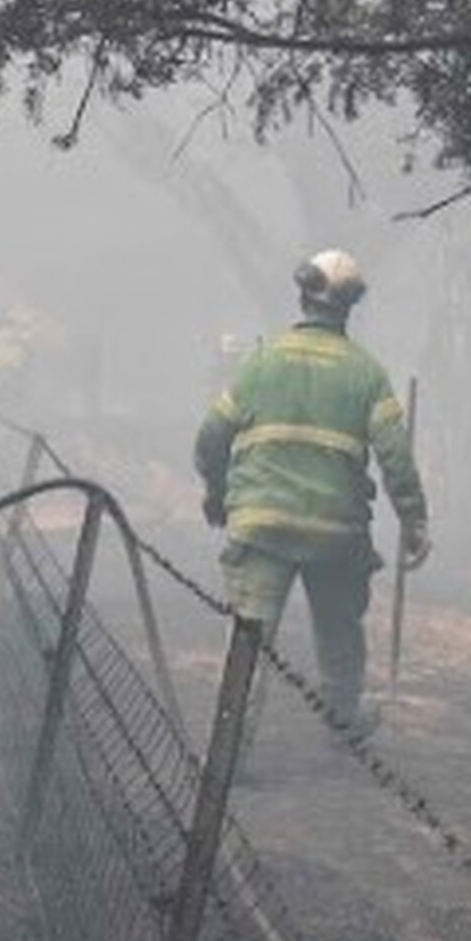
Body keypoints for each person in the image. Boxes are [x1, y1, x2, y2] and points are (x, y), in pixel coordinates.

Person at [192, 249, 430, 729]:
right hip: (336, 531)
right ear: (350, 305)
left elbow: (210, 440)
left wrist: (217, 494)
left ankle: (230, 752)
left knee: (249, 640)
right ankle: (342, 724)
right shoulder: (365, 373)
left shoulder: (260, 364)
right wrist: (414, 520)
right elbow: (395, 457)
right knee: (340, 633)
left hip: (260, 526)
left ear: (302, 296)